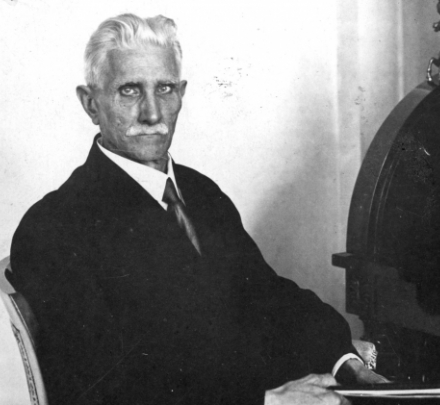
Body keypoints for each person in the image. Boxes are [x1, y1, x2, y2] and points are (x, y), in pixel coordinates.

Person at [9, 13, 387, 405]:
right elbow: (104, 390)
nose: (152, 114)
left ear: (182, 94)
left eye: (165, 89)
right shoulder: (52, 228)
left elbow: (266, 295)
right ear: (91, 103)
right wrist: (266, 401)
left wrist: (342, 359)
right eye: (130, 90)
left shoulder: (200, 192)